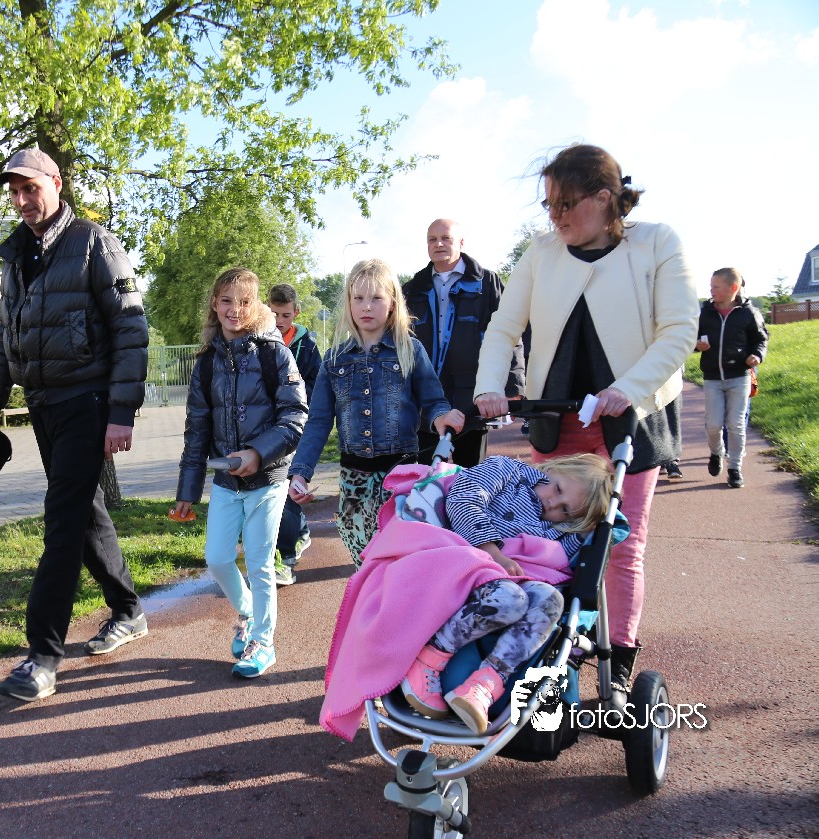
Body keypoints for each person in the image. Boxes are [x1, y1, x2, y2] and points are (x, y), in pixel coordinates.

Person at [474, 143, 698, 700]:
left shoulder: (657, 242)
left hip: (630, 421)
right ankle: (551, 648)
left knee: (621, 545)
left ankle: (618, 655)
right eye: (548, 205)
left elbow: (677, 331)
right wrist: (489, 388)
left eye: (566, 204)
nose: (555, 217)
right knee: (545, 537)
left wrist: (627, 389)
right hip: (560, 421)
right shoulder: (541, 253)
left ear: (603, 198)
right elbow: (503, 328)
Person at [0, 148, 150, 703]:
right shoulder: (16, 256)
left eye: (31, 188)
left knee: (63, 520)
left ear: (55, 183)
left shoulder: (95, 243)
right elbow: (4, 336)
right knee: (84, 509)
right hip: (44, 404)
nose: (22, 200)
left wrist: (120, 413)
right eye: (15, 192)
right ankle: (128, 610)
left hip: (87, 402)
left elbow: (130, 328)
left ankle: (43, 656)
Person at [401, 454, 613, 733]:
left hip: (510, 580)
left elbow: (576, 550)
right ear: (554, 467)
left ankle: (485, 684)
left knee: (551, 600)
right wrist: (493, 552)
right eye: (557, 488)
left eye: (565, 510)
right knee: (511, 598)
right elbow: (463, 498)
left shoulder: (557, 530)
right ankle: (429, 658)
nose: (552, 503)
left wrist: (606, 526)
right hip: (464, 559)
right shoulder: (508, 471)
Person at [173, 268, 307, 679]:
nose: (235, 309)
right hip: (226, 482)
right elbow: (197, 431)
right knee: (217, 558)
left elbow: (295, 417)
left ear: (256, 306)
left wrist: (257, 453)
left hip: (268, 479)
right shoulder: (206, 363)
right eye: (227, 300)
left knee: (260, 563)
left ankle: (263, 643)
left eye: (244, 301)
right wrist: (187, 491)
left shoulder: (274, 354)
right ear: (215, 304)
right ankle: (248, 613)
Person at [289, 258, 465, 568]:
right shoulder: (334, 359)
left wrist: (442, 418)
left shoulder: (410, 350)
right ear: (349, 303)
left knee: (401, 559)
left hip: (401, 477)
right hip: (353, 480)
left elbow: (433, 400)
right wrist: (300, 472)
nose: (366, 306)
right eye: (358, 298)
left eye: (376, 298)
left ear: (392, 303)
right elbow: (318, 422)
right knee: (364, 558)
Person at [405, 219, 525, 467]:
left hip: (472, 400)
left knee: (471, 475)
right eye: (432, 239)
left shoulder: (487, 283)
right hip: (427, 403)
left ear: (460, 242)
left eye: (445, 238)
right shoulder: (413, 289)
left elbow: (510, 336)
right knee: (425, 476)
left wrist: (513, 388)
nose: (438, 244)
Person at [267, 282, 322, 585]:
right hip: (266, 429)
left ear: (296, 313)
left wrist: (292, 392)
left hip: (297, 426)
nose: (279, 321)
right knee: (275, 490)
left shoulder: (308, 347)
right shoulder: (257, 341)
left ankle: (286, 559)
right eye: (273, 314)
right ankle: (299, 533)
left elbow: (318, 386)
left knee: (286, 488)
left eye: (285, 315)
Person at [695, 267, 769, 489]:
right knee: (713, 425)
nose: (711, 290)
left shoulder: (748, 313)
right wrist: (697, 345)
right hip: (712, 377)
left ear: (733, 288)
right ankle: (716, 452)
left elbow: (761, 338)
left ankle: (735, 469)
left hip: (740, 376)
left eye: (716, 286)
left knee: (736, 424)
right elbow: (691, 337)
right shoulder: (705, 312)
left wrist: (757, 355)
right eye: (711, 286)